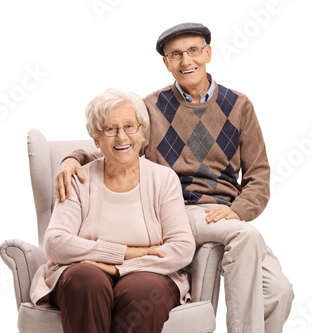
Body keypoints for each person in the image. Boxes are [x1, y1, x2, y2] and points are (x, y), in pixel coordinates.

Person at [55, 23, 294, 332]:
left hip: (224, 214)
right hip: (176, 208)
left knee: (279, 293)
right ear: (166, 63)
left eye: (194, 51)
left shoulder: (239, 106)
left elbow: (259, 172)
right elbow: (119, 147)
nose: (186, 61)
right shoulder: (151, 108)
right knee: (244, 235)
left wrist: (238, 210)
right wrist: (74, 158)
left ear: (208, 53)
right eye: (176, 55)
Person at [30, 88, 195, 333]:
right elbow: (55, 243)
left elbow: (181, 247)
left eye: (130, 126)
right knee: (87, 278)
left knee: (141, 291)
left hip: (149, 275)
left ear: (143, 134)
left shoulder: (163, 179)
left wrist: (119, 268)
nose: (121, 137)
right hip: (85, 274)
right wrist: (125, 252)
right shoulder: (78, 179)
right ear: (95, 139)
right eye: (110, 129)